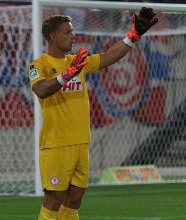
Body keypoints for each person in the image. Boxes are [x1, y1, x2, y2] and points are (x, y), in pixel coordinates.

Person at [28, 7, 158, 220]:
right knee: (54, 199)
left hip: (81, 141)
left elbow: (108, 57)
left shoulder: (76, 62)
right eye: (68, 32)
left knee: (74, 199)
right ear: (53, 36)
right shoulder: (38, 65)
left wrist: (133, 35)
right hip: (57, 144)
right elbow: (41, 89)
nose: (73, 36)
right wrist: (67, 75)